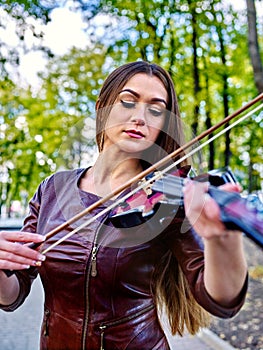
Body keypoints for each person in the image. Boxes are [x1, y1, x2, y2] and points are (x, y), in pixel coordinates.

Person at [0, 61, 248, 349]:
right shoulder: (53, 190)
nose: (140, 117)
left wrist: (223, 241)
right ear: (102, 107)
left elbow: (223, 301)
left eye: (156, 110)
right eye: (128, 102)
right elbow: (12, 293)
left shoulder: (166, 199)